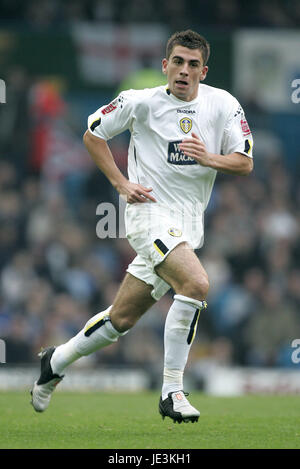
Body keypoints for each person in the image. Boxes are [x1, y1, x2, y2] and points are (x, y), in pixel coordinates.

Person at [31, 29, 253, 423]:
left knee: (122, 319)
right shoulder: (141, 103)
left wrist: (210, 158)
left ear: (204, 71)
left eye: (193, 64)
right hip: (146, 215)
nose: (184, 71)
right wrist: (121, 183)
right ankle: (172, 390)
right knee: (197, 284)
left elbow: (245, 161)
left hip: (187, 227)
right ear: (165, 66)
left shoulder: (223, 105)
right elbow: (93, 134)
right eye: (178, 62)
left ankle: (56, 360)